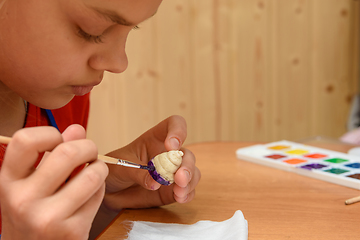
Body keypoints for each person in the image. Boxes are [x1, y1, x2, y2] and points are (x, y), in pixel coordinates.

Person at [0, 0, 201, 239]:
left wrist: (101, 204)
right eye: (91, 30)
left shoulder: (63, 96)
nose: (119, 63)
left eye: (132, 29)